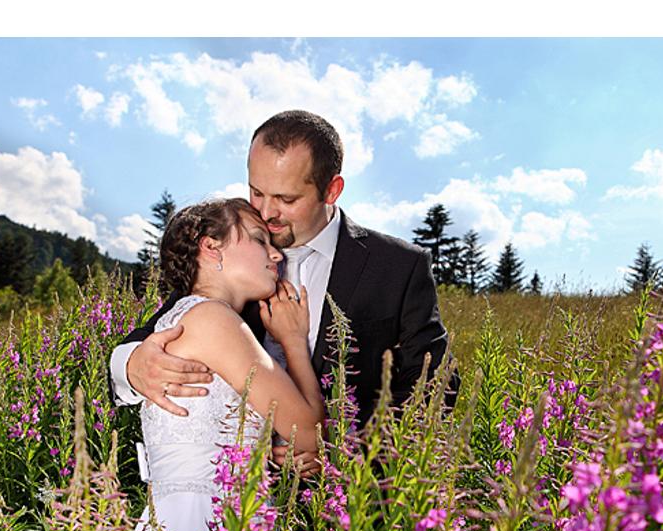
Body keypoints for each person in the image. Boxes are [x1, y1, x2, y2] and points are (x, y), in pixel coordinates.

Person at [110, 110, 457, 472]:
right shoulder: (234, 253)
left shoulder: (398, 266)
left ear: (331, 190)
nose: (265, 211)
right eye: (256, 191)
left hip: (351, 505)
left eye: (286, 199)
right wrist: (132, 365)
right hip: (229, 507)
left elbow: (433, 386)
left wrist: (345, 454)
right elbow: (161, 329)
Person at [123, 197, 325, 531]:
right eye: (257, 240)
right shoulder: (212, 318)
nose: (274, 255)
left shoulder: (185, 319)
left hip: (179, 526)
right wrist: (294, 344)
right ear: (212, 248)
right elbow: (307, 430)